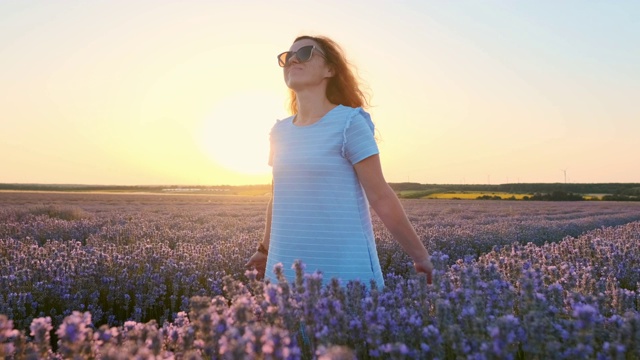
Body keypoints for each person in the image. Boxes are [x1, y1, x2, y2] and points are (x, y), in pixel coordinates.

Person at [245, 35, 433, 288]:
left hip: (343, 271)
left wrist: (420, 257)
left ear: (330, 69)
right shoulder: (280, 131)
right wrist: (264, 249)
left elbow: (380, 196)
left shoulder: (349, 123)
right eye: (287, 57)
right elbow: (279, 196)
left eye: (305, 53)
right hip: (284, 270)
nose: (292, 61)